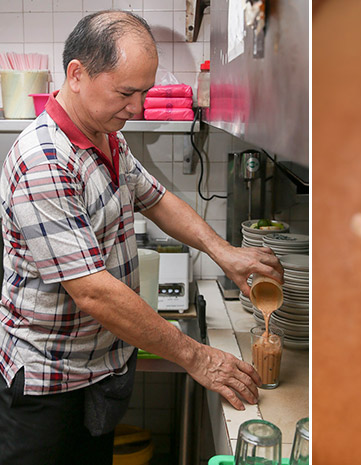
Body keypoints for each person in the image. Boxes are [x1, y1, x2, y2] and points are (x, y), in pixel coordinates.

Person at [0, 10, 283, 465]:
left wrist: (225, 252)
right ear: (77, 75)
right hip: (48, 388)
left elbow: (155, 198)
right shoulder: (45, 161)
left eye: (145, 92)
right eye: (126, 92)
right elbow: (92, 291)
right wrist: (196, 357)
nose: (137, 107)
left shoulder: (105, 136)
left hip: (97, 372)